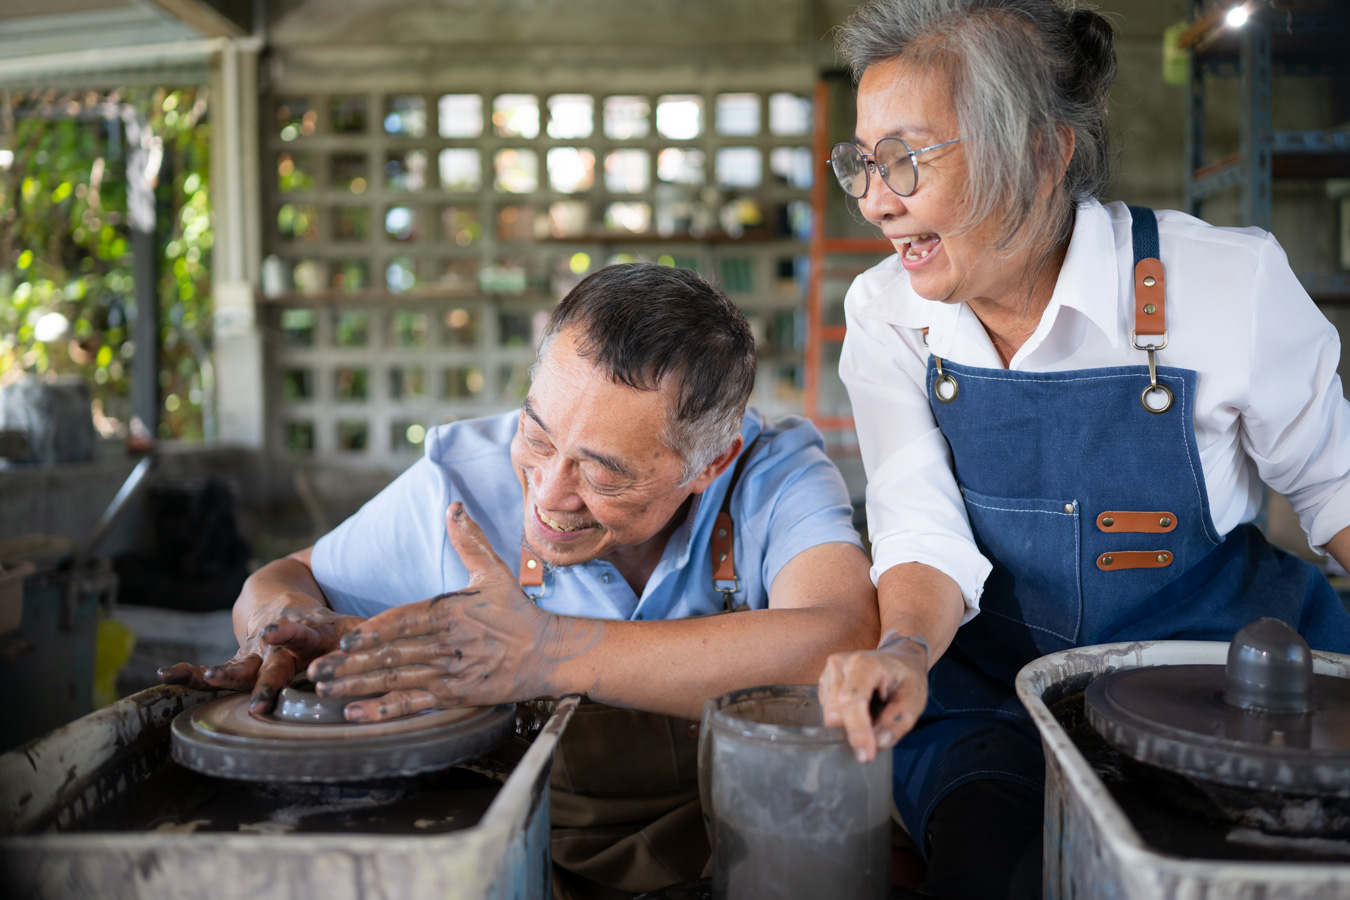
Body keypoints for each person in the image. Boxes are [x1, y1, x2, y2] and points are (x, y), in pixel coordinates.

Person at [812, 1, 1350, 898]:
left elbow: (1339, 495)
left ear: (1041, 152)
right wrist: (904, 647)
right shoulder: (888, 314)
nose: (876, 198)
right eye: (862, 162)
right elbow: (920, 529)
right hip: (997, 703)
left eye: (906, 157)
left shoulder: (1223, 286)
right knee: (1002, 869)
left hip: (1227, 691)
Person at [160, 262, 878, 900]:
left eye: (602, 471)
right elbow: (286, 577)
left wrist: (548, 653)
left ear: (708, 466)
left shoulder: (770, 474)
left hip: (746, 854)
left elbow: (841, 635)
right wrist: (281, 618)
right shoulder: (459, 484)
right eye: (536, 435)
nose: (548, 493)